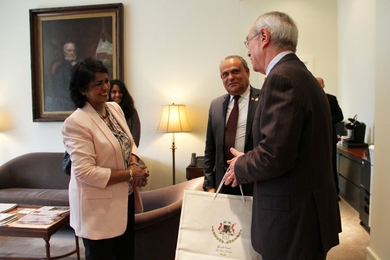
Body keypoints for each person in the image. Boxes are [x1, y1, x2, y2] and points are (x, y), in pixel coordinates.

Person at [224, 12, 341, 259]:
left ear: (264, 37)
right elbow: (290, 146)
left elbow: (274, 155)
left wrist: (241, 164)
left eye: (249, 42)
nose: (248, 51)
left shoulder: (281, 78)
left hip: (291, 220)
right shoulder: (301, 75)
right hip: (306, 214)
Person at [62, 57, 149, 260]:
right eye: (98, 83)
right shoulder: (76, 123)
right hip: (97, 210)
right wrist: (129, 174)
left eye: (106, 81)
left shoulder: (115, 109)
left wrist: (135, 166)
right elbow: (85, 172)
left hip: (124, 200)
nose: (105, 87)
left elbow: (130, 143)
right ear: (83, 89)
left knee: (126, 255)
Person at [203, 55, 260, 195]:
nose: (230, 77)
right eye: (225, 74)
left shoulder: (263, 99)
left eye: (235, 71)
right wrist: (209, 185)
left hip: (253, 181)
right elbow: (210, 150)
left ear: (247, 72)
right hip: (223, 184)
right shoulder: (215, 105)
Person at [316, 76, 344, 199]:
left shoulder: (331, 99)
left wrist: (326, 121)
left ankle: (334, 193)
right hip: (315, 139)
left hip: (329, 138)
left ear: (323, 85)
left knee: (331, 166)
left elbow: (339, 115)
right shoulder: (311, 99)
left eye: (319, 84)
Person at [109, 79, 141, 147]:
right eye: (114, 92)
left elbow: (135, 138)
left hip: (129, 152)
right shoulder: (104, 112)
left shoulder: (131, 112)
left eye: (120, 92)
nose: (117, 95)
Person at [52, 42, 78, 111]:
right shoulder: (60, 69)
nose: (72, 53)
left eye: (73, 50)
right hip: (67, 103)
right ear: (64, 53)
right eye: (69, 50)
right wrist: (74, 97)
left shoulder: (78, 66)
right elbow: (58, 90)